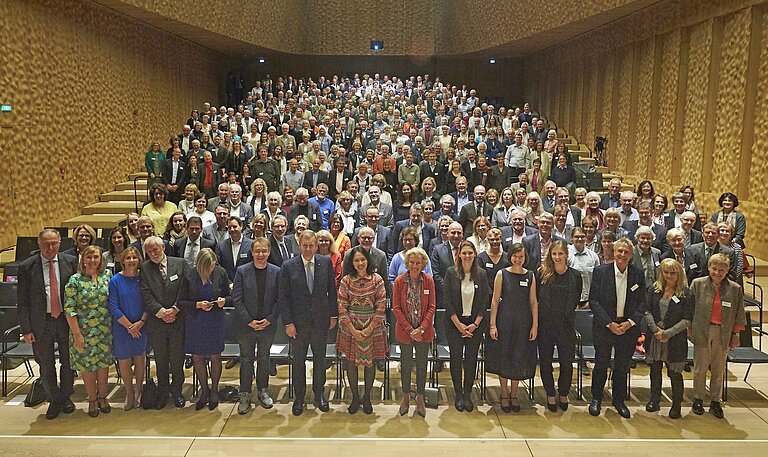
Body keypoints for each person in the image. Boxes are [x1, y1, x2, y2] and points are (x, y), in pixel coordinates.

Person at [17, 229, 78, 420]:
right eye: (46, 244)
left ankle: (66, 396)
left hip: (66, 320)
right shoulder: (27, 266)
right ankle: (54, 399)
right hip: (40, 322)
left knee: (68, 362)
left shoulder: (71, 262)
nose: (50, 248)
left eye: (54, 243)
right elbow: (22, 300)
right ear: (39, 244)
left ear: (60, 243)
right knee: (45, 363)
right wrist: (26, 329)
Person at [279, 230, 338, 416]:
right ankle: (299, 397)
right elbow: (284, 297)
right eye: (304, 245)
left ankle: (319, 394)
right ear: (299, 245)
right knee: (298, 362)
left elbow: (332, 291)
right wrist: (288, 322)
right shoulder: (289, 266)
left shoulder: (325, 262)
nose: (308, 249)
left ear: (316, 245)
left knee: (320, 360)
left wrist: (333, 315)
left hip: (320, 321)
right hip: (298, 323)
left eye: (311, 245)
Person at [588, 238, 647, 419]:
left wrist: (630, 322)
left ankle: (619, 401)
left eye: (626, 252)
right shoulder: (601, 272)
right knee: (601, 364)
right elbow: (594, 301)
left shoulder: (638, 274)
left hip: (628, 328)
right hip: (605, 327)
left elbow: (643, 303)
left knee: (622, 366)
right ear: (614, 253)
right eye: (619, 251)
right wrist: (609, 323)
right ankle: (596, 399)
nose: (622, 255)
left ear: (631, 255)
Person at [690, 253, 745, 419]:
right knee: (700, 369)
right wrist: (689, 330)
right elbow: (689, 309)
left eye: (722, 270)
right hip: (702, 330)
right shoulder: (697, 284)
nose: (717, 273)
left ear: (727, 270)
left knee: (718, 369)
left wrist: (735, 334)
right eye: (714, 268)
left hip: (723, 332)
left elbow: (739, 313)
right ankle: (698, 398)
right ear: (709, 268)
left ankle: (715, 400)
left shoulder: (735, 289)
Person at [487, 243, 537, 413]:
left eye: (521, 256)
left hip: (523, 323)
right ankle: (504, 394)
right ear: (510, 257)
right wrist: (492, 325)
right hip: (505, 321)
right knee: (504, 357)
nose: (518, 259)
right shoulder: (502, 274)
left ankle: (514, 394)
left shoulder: (530, 276)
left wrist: (535, 325)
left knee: (518, 357)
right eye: (515, 256)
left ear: (525, 258)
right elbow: (494, 301)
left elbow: (533, 303)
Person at [140, 236, 189, 409]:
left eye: (155, 249)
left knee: (177, 358)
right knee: (160, 359)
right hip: (157, 321)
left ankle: (177, 391)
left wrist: (175, 308)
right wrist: (161, 312)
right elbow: (145, 293)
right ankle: (162, 392)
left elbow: (185, 289)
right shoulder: (145, 268)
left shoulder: (180, 263)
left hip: (177, 319)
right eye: (149, 251)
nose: (153, 254)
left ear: (163, 247)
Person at [336, 248, 388, 415]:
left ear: (368, 261)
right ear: (352, 262)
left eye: (362, 260)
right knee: (350, 363)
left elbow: (381, 305)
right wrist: (353, 330)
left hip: (372, 328)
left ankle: (366, 397)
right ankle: (355, 397)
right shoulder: (346, 281)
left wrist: (369, 328)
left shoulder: (377, 280)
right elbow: (342, 307)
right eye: (356, 260)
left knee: (370, 363)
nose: (360, 263)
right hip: (350, 329)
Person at [63, 245, 113, 418]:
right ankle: (92, 399)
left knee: (103, 365)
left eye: (96, 257)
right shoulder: (75, 280)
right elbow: (69, 310)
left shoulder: (107, 276)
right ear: (83, 259)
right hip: (83, 331)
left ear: (101, 259)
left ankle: (103, 397)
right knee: (88, 366)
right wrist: (77, 334)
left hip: (104, 330)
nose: (93, 260)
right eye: (89, 257)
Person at [178, 248, 230, 410]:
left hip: (214, 320)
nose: (211, 270)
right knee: (198, 357)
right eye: (208, 267)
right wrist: (197, 305)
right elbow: (181, 301)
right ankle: (204, 390)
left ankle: (214, 390)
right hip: (195, 321)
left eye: (213, 266)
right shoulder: (190, 275)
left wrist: (223, 301)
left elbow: (230, 297)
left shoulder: (220, 273)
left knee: (215, 356)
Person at [233, 238, 280, 414]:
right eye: (257, 251)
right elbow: (237, 299)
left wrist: (269, 319)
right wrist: (249, 321)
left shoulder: (276, 272)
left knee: (264, 358)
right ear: (252, 252)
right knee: (246, 360)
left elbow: (280, 299)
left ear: (269, 252)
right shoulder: (242, 271)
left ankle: (263, 390)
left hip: (267, 325)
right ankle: (244, 393)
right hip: (246, 325)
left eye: (264, 251)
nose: (260, 254)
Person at [643, 259, 693, 419]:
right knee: (655, 370)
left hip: (675, 339)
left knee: (675, 374)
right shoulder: (654, 289)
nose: (669, 275)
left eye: (673, 273)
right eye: (666, 272)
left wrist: (667, 333)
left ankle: (676, 405)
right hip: (655, 337)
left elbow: (687, 319)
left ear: (679, 273)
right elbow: (647, 311)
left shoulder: (686, 293)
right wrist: (656, 330)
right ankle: (654, 399)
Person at [443, 241, 489, 412]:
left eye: (470, 253)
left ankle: (468, 393)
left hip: (475, 325)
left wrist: (474, 324)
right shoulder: (450, 273)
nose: (467, 256)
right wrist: (459, 325)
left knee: (471, 360)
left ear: (475, 254)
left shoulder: (482, 274)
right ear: (459, 255)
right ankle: (458, 394)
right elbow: (447, 301)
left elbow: (485, 301)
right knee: (455, 359)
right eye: (464, 253)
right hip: (455, 323)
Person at [536, 240, 581, 412]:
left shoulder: (575, 276)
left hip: (566, 325)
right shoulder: (542, 273)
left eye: (560, 254)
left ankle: (563, 393)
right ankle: (549, 393)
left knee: (566, 362)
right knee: (546, 362)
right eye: (554, 254)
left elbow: (576, 299)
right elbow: (537, 299)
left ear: (566, 255)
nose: (557, 257)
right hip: (546, 326)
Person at [392, 247, 435, 418]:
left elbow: (432, 307)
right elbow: (396, 307)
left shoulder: (429, 281)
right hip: (405, 332)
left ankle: (420, 398)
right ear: (407, 263)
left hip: (424, 332)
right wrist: (410, 329)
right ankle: (405, 398)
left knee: (422, 366)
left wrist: (422, 328)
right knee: (406, 365)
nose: (415, 265)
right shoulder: (399, 281)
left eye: (418, 262)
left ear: (424, 264)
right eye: (412, 262)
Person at [107, 246, 147, 411]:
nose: (131, 261)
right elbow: (113, 306)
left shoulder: (144, 279)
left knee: (140, 358)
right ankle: (129, 392)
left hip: (141, 325)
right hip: (122, 328)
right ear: (122, 261)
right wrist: (129, 326)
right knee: (124, 360)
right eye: (128, 258)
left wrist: (141, 322)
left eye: (134, 258)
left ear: (139, 260)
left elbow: (149, 302)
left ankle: (138, 390)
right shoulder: (115, 280)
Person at [568, 227, 600, 307]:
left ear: (586, 237)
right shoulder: (566, 255)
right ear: (571, 238)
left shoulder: (593, 256)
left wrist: (591, 301)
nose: (579, 239)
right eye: (576, 236)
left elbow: (598, 281)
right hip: (570, 300)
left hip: (588, 301)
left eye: (582, 236)